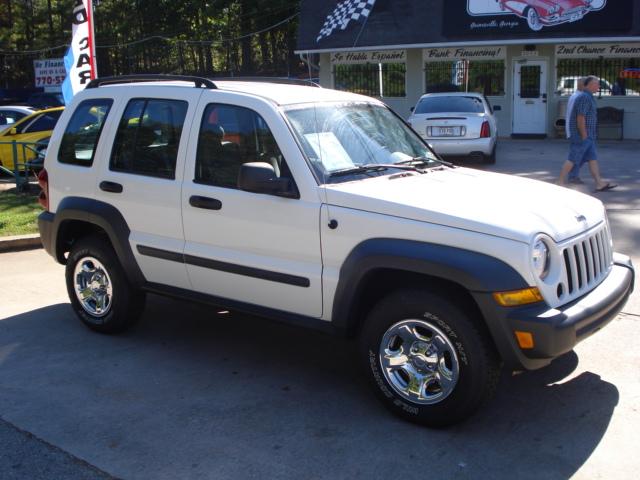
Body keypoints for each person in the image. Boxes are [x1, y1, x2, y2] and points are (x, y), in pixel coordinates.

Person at [557, 75, 617, 192]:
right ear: (589, 85)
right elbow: (580, 117)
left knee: (592, 158)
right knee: (573, 158)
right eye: (597, 84)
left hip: (589, 135)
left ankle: (599, 183)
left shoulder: (588, 97)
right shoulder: (584, 97)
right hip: (583, 135)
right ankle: (559, 181)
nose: (599, 86)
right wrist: (584, 134)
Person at [565, 77, 586, 184]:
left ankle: (573, 175)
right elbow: (576, 117)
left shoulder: (577, 96)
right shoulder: (578, 97)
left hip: (576, 130)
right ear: (582, 85)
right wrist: (581, 132)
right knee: (576, 155)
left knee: (582, 155)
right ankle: (571, 176)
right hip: (576, 131)